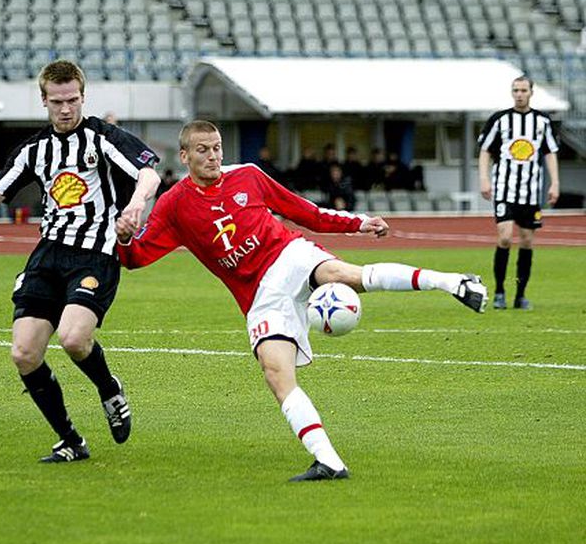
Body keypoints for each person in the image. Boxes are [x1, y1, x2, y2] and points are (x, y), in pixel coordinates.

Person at [115, 120, 487, 482]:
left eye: (217, 149)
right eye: (203, 150)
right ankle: (329, 462)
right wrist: (126, 237)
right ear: (184, 156)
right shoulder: (175, 204)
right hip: (259, 296)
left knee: (346, 276)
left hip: (288, 256)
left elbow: (304, 212)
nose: (213, 157)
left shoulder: (247, 175)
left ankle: (452, 282)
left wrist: (358, 223)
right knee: (276, 373)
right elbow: (137, 257)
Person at [0, 60, 161, 463]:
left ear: (83, 97)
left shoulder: (101, 138)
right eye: (57, 102)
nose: (66, 109)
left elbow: (148, 174)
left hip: (95, 253)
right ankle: (71, 440)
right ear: (44, 101)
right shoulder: (34, 150)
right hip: (48, 255)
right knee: (24, 353)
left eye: (73, 100)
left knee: (73, 339)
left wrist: (136, 205)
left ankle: (109, 389)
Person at [478, 75, 560, 310]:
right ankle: (500, 291)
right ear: (511, 92)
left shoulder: (542, 121)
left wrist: (555, 183)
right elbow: (485, 150)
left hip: (531, 192)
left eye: (523, 90)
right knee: (504, 237)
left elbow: (550, 153)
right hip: (505, 189)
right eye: (516, 90)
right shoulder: (500, 119)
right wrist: (484, 178)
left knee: (526, 241)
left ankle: (520, 294)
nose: (519, 94)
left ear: (531, 92)